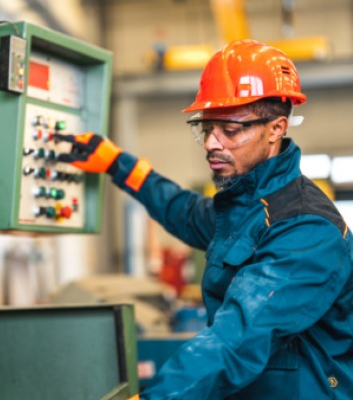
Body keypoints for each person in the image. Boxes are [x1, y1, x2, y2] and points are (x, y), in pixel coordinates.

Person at [55, 39, 353, 400]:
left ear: (276, 128)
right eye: (208, 127)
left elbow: (238, 337)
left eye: (230, 130)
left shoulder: (306, 228)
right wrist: (117, 164)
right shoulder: (246, 208)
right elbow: (183, 210)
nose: (213, 143)